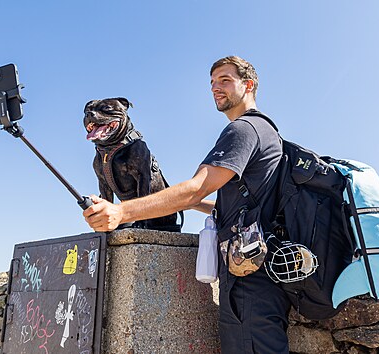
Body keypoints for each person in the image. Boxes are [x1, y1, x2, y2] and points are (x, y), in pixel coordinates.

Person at [83, 56, 290, 353]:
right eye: (212, 83)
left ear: (249, 85)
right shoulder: (266, 131)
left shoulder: (243, 130)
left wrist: (120, 211)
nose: (215, 88)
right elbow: (235, 203)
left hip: (251, 281)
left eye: (225, 80)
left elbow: (196, 187)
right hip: (259, 274)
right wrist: (190, 205)